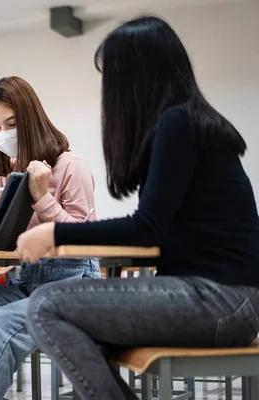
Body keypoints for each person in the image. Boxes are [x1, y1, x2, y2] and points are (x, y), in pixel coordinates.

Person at [17, 16, 259, 400]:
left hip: (221, 301)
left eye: (111, 77)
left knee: (45, 305)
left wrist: (53, 232)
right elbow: (156, 229)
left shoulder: (178, 124)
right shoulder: (186, 123)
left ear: (134, 79)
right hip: (227, 299)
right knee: (78, 326)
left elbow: (146, 227)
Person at [0, 76, 100, 400]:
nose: (2, 134)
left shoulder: (71, 166)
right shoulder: (3, 174)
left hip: (73, 292)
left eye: (10, 124)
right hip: (25, 287)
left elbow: (83, 242)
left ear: (30, 119)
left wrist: (43, 199)